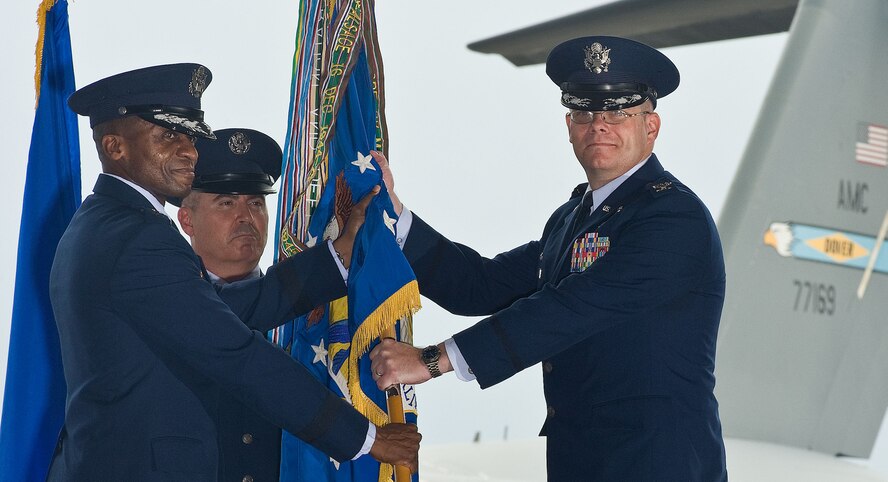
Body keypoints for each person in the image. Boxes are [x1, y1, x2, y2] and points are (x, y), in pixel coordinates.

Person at [369, 37, 727, 480]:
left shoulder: (673, 217)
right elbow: (483, 284)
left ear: (650, 127)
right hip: (580, 462)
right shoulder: (572, 219)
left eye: (618, 112)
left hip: (654, 463)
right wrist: (393, 219)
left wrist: (431, 360)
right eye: (585, 112)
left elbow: (571, 308)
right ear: (569, 125)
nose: (599, 125)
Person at [48, 63, 419, 481]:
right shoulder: (137, 237)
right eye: (168, 135)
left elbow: (229, 310)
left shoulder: (104, 223)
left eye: (190, 136)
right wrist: (368, 439)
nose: (188, 151)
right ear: (115, 147)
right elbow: (233, 349)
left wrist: (338, 257)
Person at [174, 127, 283, 481]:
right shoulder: (163, 305)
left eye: (255, 202)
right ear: (187, 220)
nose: (246, 217)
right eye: (226, 202)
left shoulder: (307, 316)